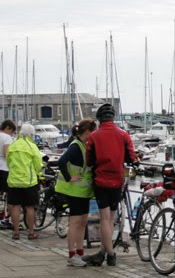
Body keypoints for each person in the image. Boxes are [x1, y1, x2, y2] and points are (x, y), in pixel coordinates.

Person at [82, 103, 136, 266]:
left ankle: (110, 253)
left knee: (104, 219)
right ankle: (105, 252)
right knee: (111, 218)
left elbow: (89, 161)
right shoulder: (123, 135)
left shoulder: (95, 136)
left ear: (100, 119)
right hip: (117, 180)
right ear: (113, 118)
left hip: (101, 181)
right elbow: (131, 158)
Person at [56, 118, 97, 267]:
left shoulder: (83, 145)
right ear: (87, 132)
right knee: (75, 222)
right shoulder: (75, 146)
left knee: (83, 221)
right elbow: (61, 162)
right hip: (74, 191)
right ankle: (72, 254)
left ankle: (80, 252)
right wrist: (69, 177)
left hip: (83, 192)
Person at [6, 123, 43, 240]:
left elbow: (8, 162)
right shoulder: (31, 146)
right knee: (29, 207)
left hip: (13, 181)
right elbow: (38, 165)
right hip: (29, 182)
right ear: (31, 135)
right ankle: (31, 232)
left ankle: (16, 232)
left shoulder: (13, 145)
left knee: (15, 207)